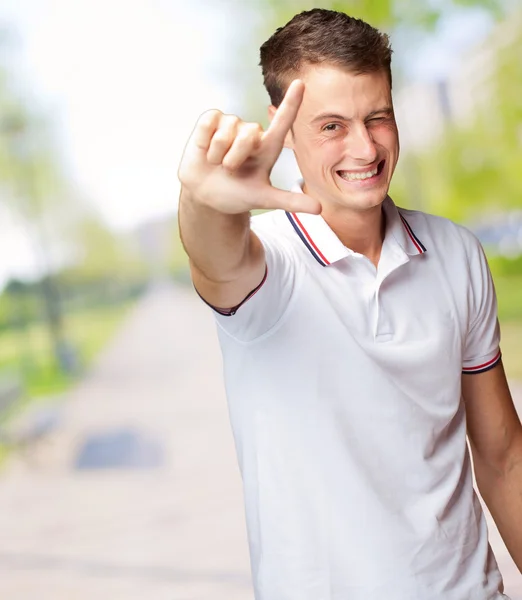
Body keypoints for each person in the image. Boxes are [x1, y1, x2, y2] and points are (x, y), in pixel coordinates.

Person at [177, 8, 522, 600]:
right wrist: (205, 202)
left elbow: (503, 456)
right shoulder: (268, 267)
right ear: (282, 127)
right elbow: (216, 257)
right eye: (331, 125)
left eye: (378, 117)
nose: (364, 147)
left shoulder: (458, 254)